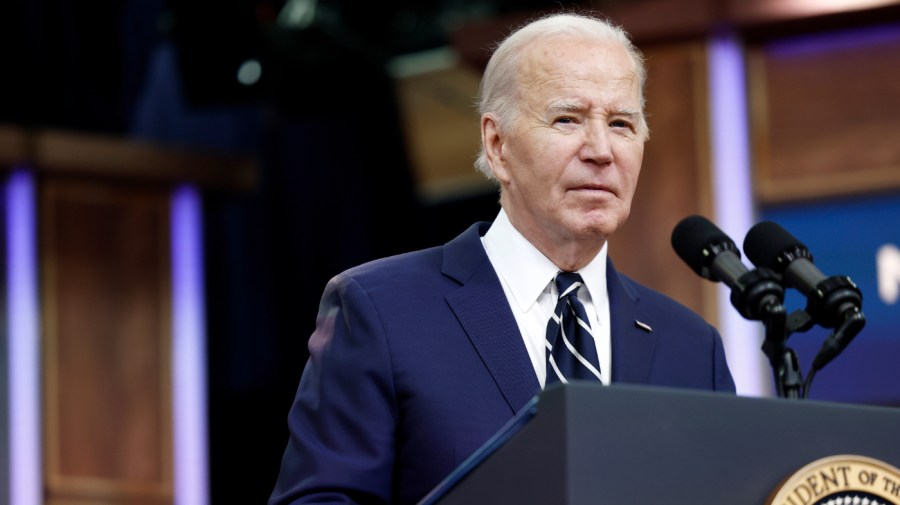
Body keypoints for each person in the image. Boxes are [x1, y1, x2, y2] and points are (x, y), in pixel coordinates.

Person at [269, 11, 735, 505]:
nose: (601, 150)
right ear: (497, 146)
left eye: (621, 123)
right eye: (567, 119)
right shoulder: (380, 311)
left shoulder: (691, 347)